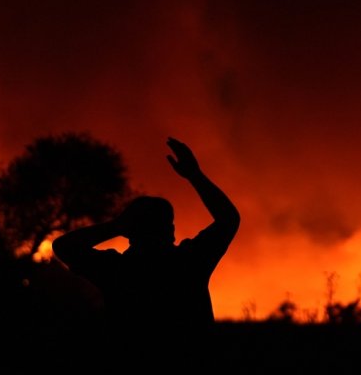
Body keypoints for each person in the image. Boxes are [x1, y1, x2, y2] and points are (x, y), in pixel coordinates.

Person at [52, 137, 240, 330]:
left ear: (130, 231)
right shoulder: (189, 262)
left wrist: (116, 226)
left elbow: (63, 246)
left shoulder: (117, 270)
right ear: (171, 231)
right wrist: (195, 176)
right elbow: (229, 219)